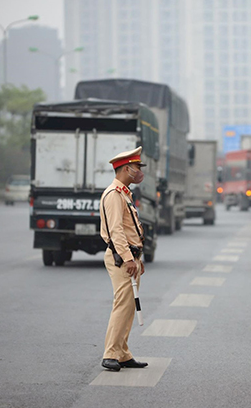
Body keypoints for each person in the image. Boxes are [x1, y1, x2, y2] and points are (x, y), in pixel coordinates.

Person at [99, 146, 148, 371]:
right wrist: (128, 259)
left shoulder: (125, 194)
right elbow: (116, 231)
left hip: (130, 257)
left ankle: (123, 353)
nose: (139, 172)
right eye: (137, 167)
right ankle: (110, 353)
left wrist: (138, 258)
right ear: (127, 168)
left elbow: (133, 230)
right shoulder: (113, 195)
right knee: (122, 304)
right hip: (121, 258)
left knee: (129, 307)